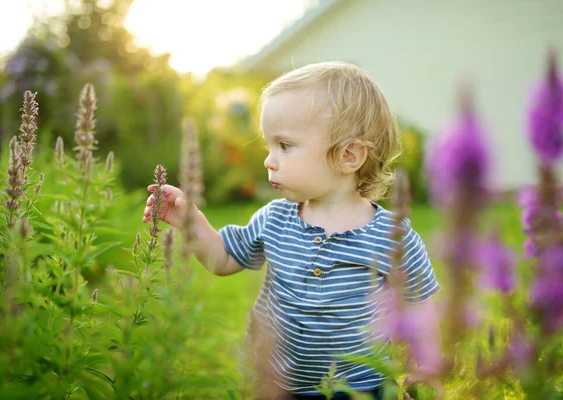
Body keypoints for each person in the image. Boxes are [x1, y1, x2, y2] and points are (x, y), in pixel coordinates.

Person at [142, 61, 443, 399]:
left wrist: (427, 368)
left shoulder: (394, 238)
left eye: (284, 146)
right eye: (269, 146)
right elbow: (223, 259)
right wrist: (190, 221)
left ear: (348, 156)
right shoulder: (275, 219)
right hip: (276, 385)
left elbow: (418, 305)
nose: (269, 160)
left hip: (359, 389)